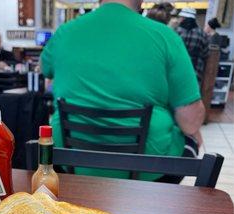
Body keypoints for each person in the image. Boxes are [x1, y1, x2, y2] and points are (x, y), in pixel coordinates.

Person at [40, 0, 205, 183]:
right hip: (148, 169)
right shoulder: (165, 37)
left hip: (68, 162)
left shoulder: (65, 32)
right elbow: (191, 122)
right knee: (192, 134)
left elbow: (45, 70)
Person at [175, 8, 209, 83]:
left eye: (180, 17)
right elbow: (206, 54)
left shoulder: (176, 32)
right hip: (196, 71)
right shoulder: (202, 34)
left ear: (183, 18)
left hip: (177, 70)